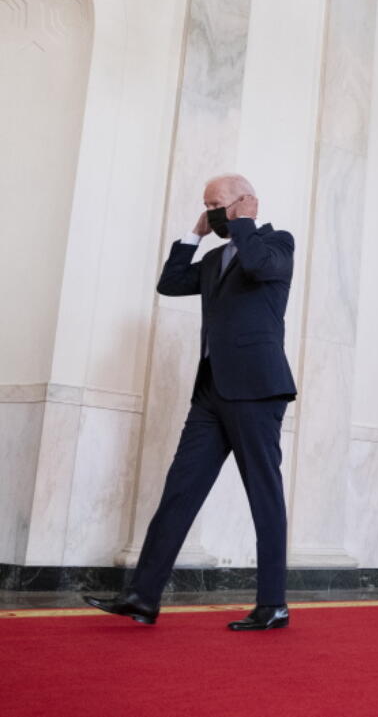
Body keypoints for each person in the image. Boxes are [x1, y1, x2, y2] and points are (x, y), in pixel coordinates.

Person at [84, 175, 297, 630]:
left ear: (244, 202)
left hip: (258, 391)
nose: (215, 213)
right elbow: (169, 282)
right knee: (179, 491)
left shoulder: (277, 243)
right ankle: (142, 597)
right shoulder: (216, 256)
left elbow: (259, 267)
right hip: (210, 392)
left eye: (218, 205)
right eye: (208, 206)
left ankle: (273, 603)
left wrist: (245, 222)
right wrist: (196, 233)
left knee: (264, 495)